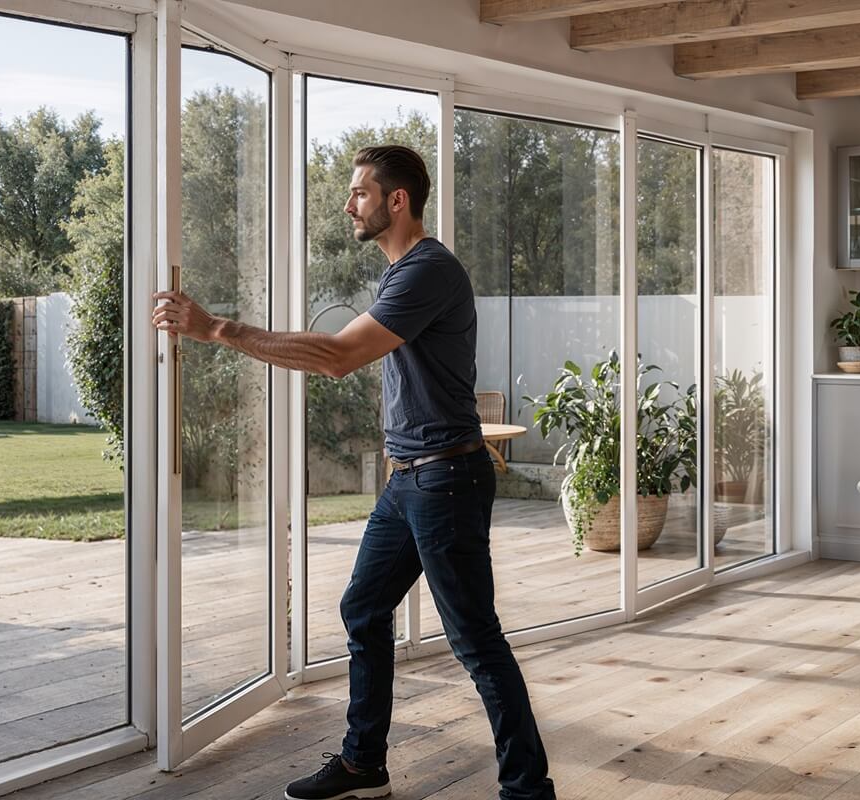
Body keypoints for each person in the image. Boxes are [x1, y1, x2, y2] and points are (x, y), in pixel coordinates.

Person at [151, 145, 556, 800]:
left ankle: (528, 789)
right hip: (412, 479)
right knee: (364, 608)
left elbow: (338, 357)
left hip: (444, 480)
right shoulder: (402, 273)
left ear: (398, 200)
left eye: (360, 193)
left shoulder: (427, 270)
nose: (348, 205)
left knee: (475, 639)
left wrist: (217, 328)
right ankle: (363, 765)